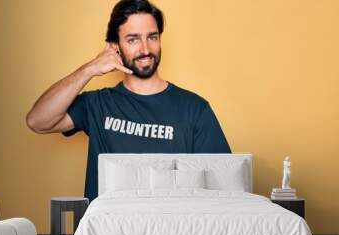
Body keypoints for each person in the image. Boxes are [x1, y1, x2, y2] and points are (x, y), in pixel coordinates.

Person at [26, 0, 231, 202]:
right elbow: (38, 121)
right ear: (115, 47)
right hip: (107, 232)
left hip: (170, 231)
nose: (145, 49)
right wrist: (88, 69)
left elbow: (224, 184)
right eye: (133, 39)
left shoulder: (194, 108)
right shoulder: (98, 104)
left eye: (152, 37)